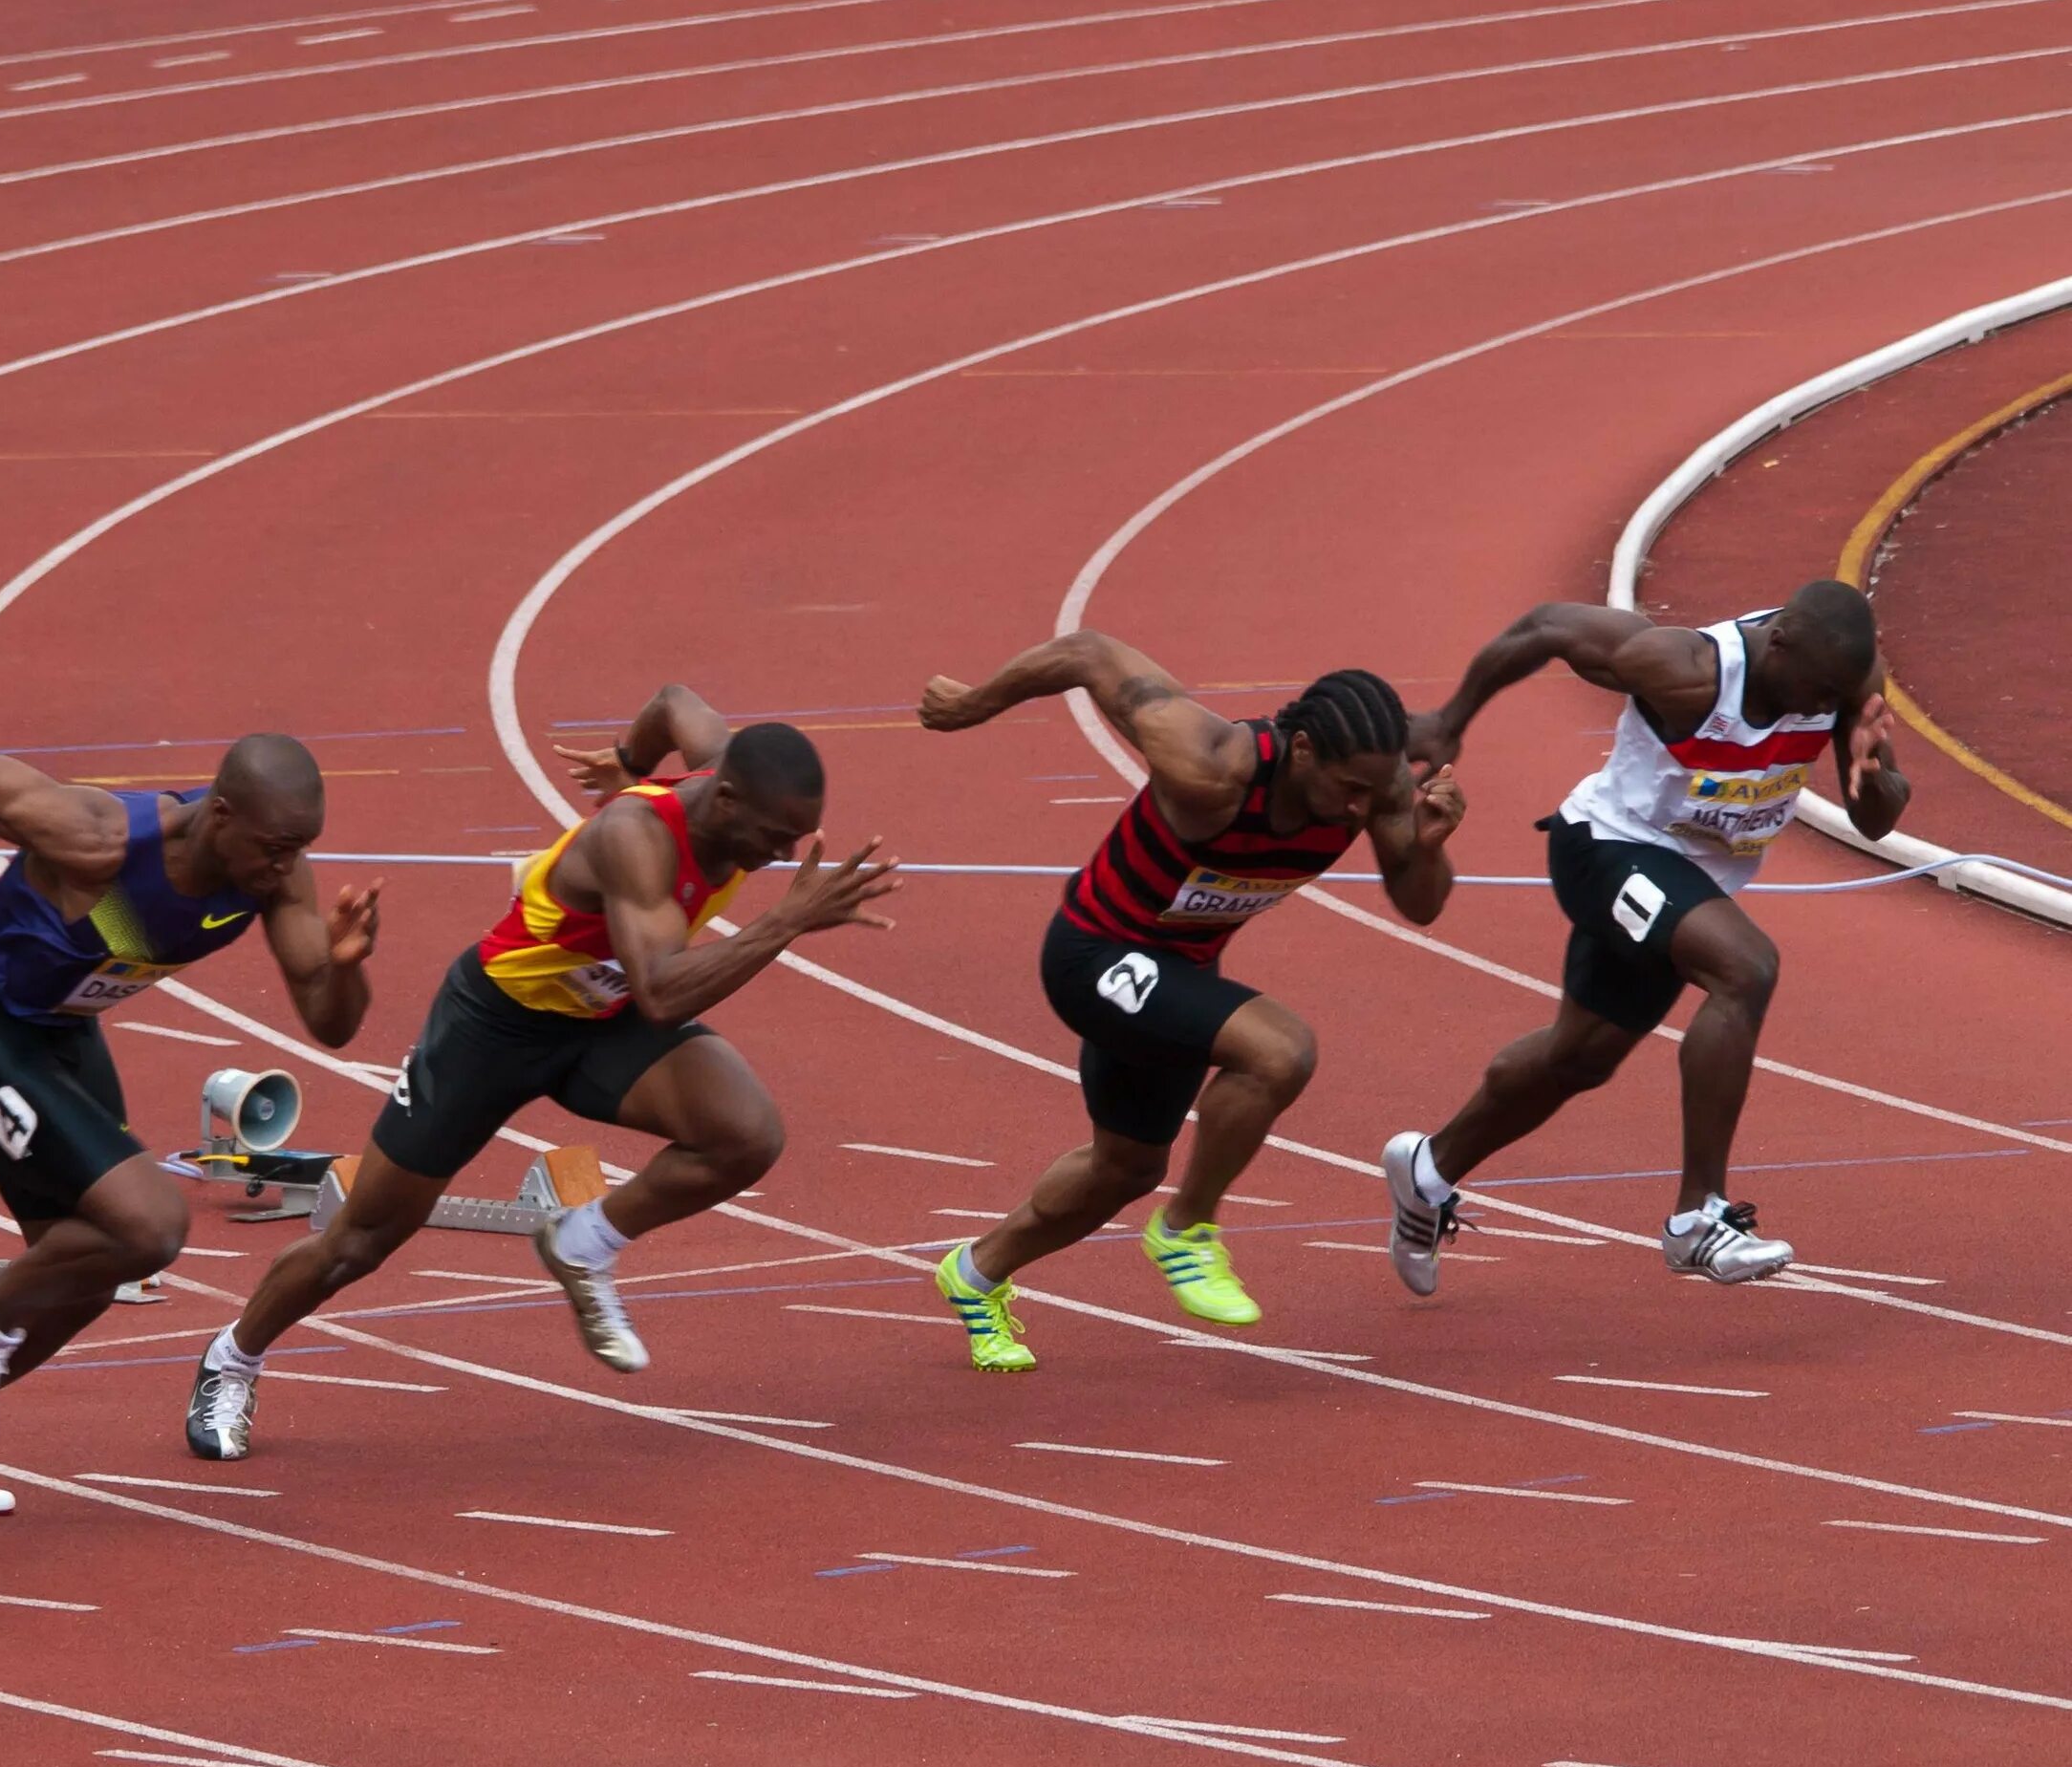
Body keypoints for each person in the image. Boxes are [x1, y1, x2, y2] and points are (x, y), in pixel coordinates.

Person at [185, 688, 896, 1461]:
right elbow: (663, 993)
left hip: (600, 1020)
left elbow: (674, 702)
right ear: (724, 798)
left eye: (795, 840)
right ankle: (233, 1357)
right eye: (774, 837)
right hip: (497, 1023)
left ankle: (583, 1242)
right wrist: (786, 919)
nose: (784, 858)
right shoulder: (636, 837)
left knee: (745, 1134)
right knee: (362, 1240)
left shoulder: (723, 763)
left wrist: (627, 757)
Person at [0, 733, 378, 1510]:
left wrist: (348, 967)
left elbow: (330, 1024)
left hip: (61, 1037)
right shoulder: (96, 836)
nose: (288, 866)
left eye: (300, 849)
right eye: (277, 847)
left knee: (88, 1276)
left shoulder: (274, 876)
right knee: (150, 1226)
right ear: (221, 815)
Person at [916, 639, 1460, 1366]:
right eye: (1348, 790)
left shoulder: (1382, 786)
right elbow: (1087, 654)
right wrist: (975, 703)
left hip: (1175, 973)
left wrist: (1426, 847)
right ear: (1300, 750)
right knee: (1280, 1051)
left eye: (1374, 791)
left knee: (1125, 1167)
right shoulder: (1209, 763)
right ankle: (1187, 1231)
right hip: (1093, 955)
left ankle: (975, 1273)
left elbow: (1420, 907)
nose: (1363, 808)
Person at [1386, 581, 1907, 1292]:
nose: (1821, 707)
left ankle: (1428, 1170)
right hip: (1609, 850)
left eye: (1834, 697)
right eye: (1814, 690)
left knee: (1580, 1058)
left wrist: (1870, 773)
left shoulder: (1844, 676)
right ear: (1779, 640)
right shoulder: (1686, 669)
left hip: (1692, 884)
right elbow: (1546, 626)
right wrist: (1450, 721)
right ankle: (1698, 1218)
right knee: (1746, 968)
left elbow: (1878, 820)